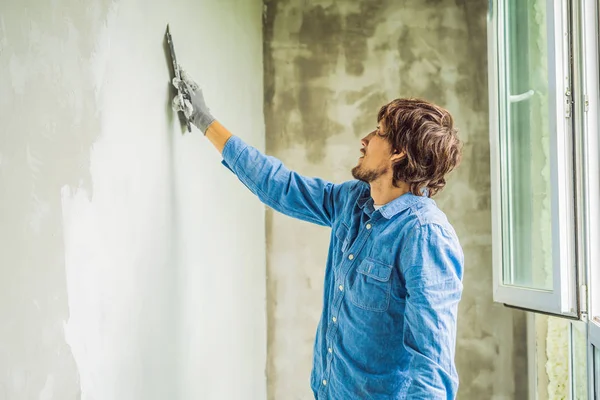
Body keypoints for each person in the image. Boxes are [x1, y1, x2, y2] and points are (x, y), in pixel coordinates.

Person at [172, 68, 464, 400]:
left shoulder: (425, 237)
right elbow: (280, 186)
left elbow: (433, 370)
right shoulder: (354, 201)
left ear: (398, 152)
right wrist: (204, 119)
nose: (365, 140)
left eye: (379, 132)